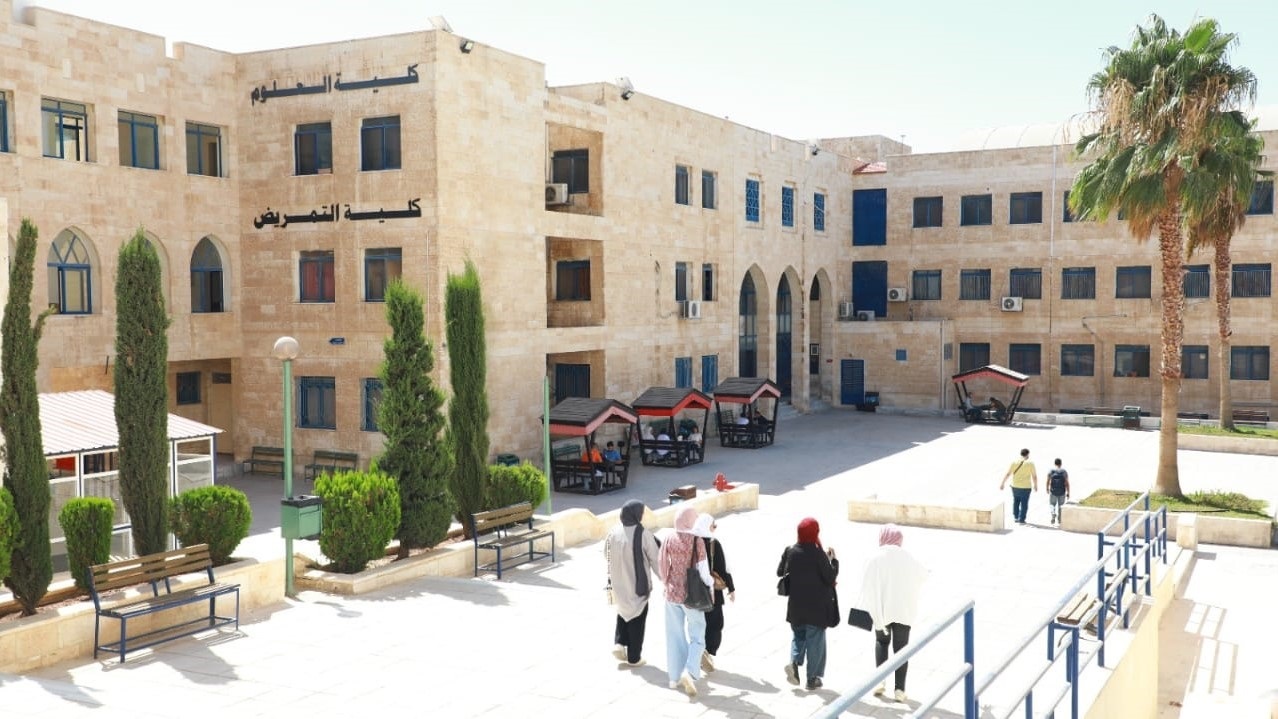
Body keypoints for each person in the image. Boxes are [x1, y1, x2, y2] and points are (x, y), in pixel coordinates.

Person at [857, 524, 928, 703]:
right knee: (901, 649)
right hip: (903, 610)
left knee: (881, 642)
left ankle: (879, 681)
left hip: (882, 610)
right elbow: (923, 575)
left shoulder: (875, 557)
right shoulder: (909, 557)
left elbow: (866, 583)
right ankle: (899, 690)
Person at [777, 517, 838, 691]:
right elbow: (830, 577)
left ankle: (794, 664)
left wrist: (786, 555)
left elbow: (780, 572)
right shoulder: (818, 554)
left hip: (796, 607)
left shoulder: (791, 551)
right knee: (815, 641)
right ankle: (812, 679)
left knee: (799, 636)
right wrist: (833, 561)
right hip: (817, 609)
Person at [658, 505, 713, 697]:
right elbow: (703, 570)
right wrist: (710, 586)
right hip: (692, 596)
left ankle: (673, 679)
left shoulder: (669, 538)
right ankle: (689, 672)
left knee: (674, 636)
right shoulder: (697, 540)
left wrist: (666, 583)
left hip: (671, 594)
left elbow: (662, 565)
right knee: (698, 635)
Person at [605, 500, 661, 667]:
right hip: (636, 584)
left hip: (618, 581)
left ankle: (619, 643)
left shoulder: (614, 532)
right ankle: (634, 658)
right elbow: (655, 559)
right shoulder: (643, 534)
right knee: (637, 617)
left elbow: (606, 553)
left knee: (623, 610)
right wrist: (665, 578)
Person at [693, 513, 734, 672]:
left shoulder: (691, 542)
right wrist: (731, 588)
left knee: (698, 624)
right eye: (713, 526)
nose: (714, 529)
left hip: (693, 590)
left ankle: (700, 652)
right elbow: (722, 568)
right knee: (715, 623)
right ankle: (707, 652)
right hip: (711, 593)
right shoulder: (712, 543)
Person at [999, 448, 1038, 525]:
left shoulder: (1014, 462)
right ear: (1028, 454)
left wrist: (1002, 483)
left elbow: (1008, 474)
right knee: (1024, 503)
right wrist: (1035, 485)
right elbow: (1034, 476)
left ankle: (1016, 517)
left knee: (1016, 501)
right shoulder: (1030, 463)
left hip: (1015, 486)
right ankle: (1022, 519)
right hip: (1026, 487)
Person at [1047, 458, 1070, 525]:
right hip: (1062, 491)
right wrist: (1068, 492)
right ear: (1061, 464)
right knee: (1061, 506)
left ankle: (1053, 513)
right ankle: (1059, 519)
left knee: (1052, 504)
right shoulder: (1064, 472)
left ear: (1055, 463)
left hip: (1053, 491)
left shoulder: (1051, 471)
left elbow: (1048, 481)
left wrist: (1047, 489)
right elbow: (1067, 483)